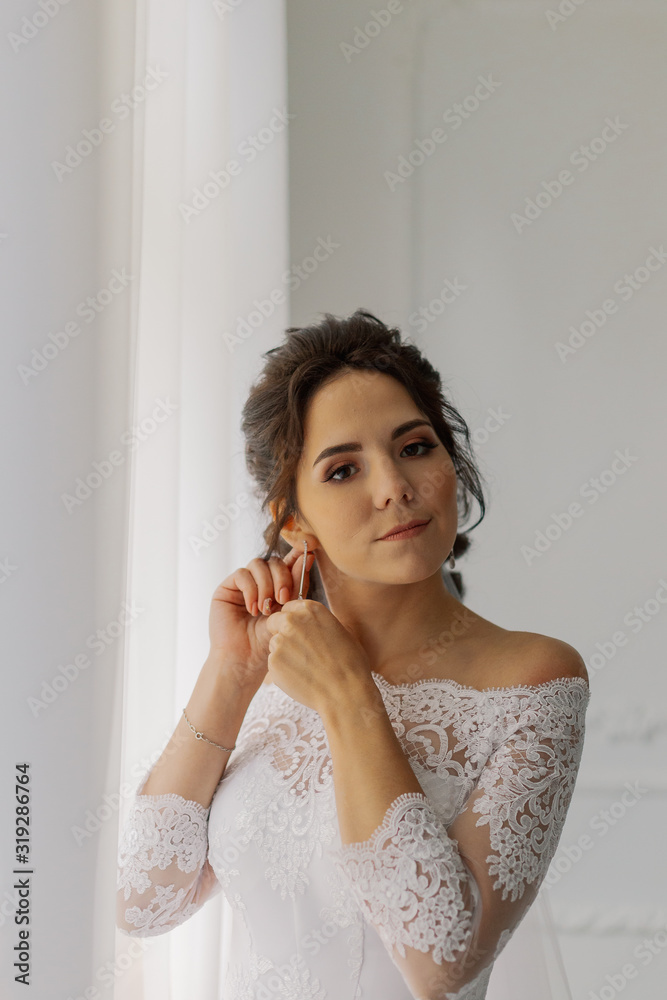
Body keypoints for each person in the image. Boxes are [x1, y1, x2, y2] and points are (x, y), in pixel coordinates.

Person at [116, 309, 591, 999]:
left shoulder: (535, 679)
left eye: (416, 447)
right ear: (291, 517)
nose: (393, 486)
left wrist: (348, 698)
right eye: (343, 469)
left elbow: (440, 965)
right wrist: (231, 674)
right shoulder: (265, 676)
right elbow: (142, 903)